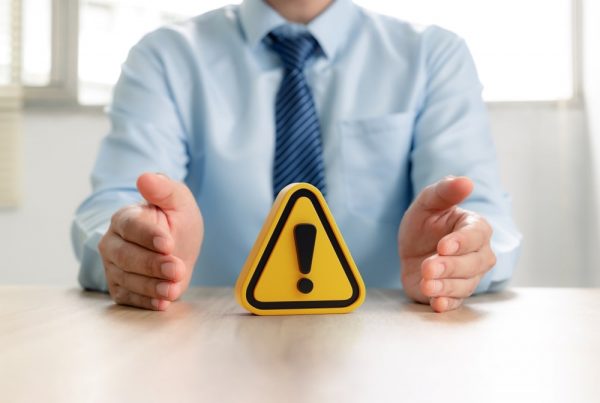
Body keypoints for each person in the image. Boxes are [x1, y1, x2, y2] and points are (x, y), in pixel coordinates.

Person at [72, 0, 522, 313]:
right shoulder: (165, 56)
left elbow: (483, 219)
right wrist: (138, 249)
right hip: (211, 340)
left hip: (391, 343)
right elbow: (112, 206)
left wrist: (456, 259)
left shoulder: (432, 55)